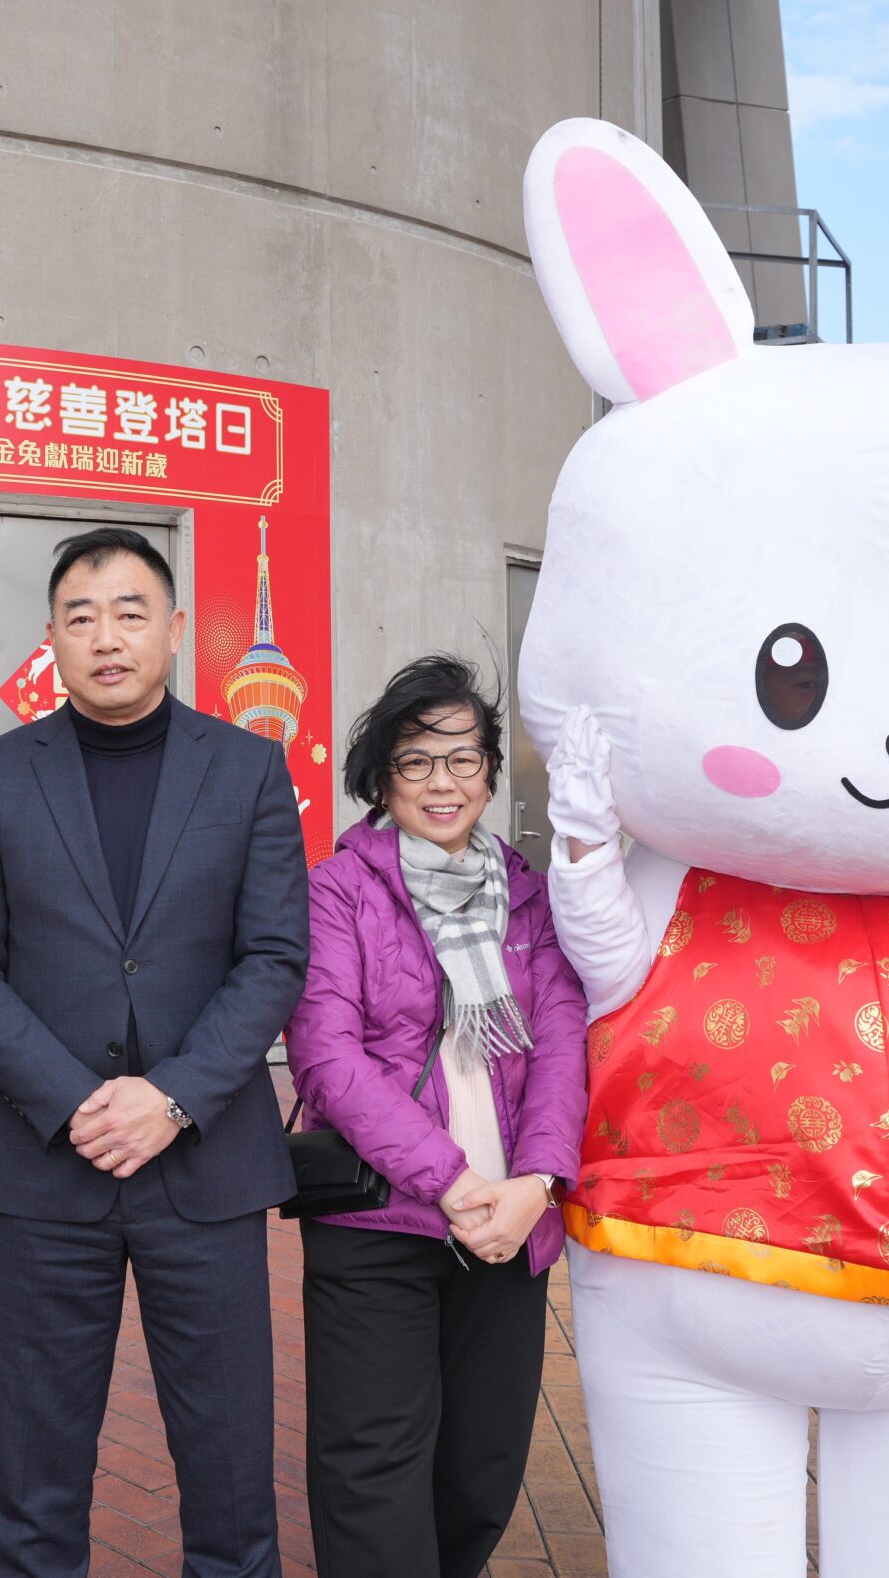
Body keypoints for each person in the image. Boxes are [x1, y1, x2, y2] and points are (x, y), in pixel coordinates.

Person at [0, 526, 310, 1578]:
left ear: (176, 630)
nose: (107, 636)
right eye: (81, 615)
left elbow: (275, 954)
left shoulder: (245, 770)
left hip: (209, 1168)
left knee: (232, 1479)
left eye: (131, 612)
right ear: (49, 635)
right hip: (50, 1167)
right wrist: (76, 1099)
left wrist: (174, 1098)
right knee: (35, 1480)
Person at [283, 655, 588, 1576]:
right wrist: (450, 1179)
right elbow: (327, 1058)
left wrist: (536, 1184)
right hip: (382, 1217)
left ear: (492, 772)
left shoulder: (530, 894)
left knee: (483, 1467)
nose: (441, 781)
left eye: (463, 758)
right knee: (372, 1467)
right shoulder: (336, 889)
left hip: (512, 1220)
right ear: (382, 777)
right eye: (415, 761)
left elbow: (565, 1043)